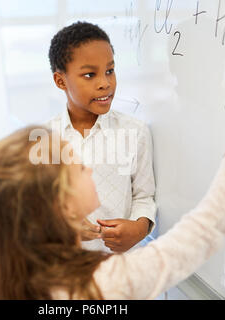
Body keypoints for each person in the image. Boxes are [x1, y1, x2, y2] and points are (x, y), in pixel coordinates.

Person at [0, 68, 225, 299]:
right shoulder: (102, 283)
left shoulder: (7, 274)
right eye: (78, 167)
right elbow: (202, 232)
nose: (88, 169)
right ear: (62, 206)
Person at [47, 21, 156, 253]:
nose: (105, 84)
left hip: (122, 269)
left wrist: (139, 228)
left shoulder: (135, 132)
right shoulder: (46, 140)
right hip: (68, 269)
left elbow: (144, 196)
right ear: (60, 81)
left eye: (110, 71)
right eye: (89, 75)